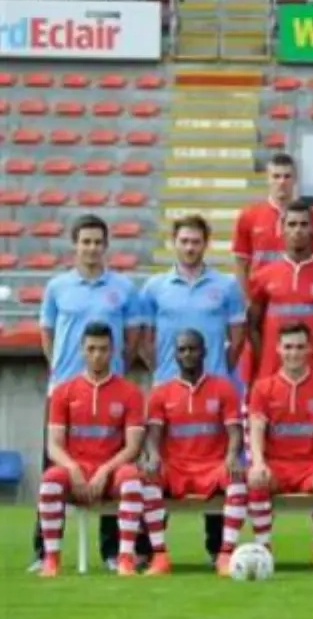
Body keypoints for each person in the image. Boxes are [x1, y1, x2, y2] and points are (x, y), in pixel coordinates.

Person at [33, 215, 147, 573]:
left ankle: (114, 552)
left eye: (98, 242)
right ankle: (44, 553)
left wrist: (117, 370)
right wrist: (62, 370)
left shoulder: (124, 288)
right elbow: (48, 335)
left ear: (106, 245)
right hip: (65, 389)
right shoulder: (57, 287)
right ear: (75, 244)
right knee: (55, 469)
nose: (92, 248)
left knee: (113, 466)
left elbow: (132, 340)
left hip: (110, 390)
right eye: (86, 241)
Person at [140, 215, 246, 565]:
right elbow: (143, 338)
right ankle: (150, 551)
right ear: (174, 242)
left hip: (214, 389)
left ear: (206, 243)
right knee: (160, 464)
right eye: (184, 241)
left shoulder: (226, 286)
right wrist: (161, 370)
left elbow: (238, 337)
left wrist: (219, 371)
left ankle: (218, 549)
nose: (189, 247)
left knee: (218, 461)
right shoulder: (154, 287)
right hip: (167, 390)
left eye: (196, 241)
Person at [35, 322, 147, 577]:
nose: (97, 355)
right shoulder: (63, 392)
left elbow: (133, 447)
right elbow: (53, 445)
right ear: (82, 350)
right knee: (50, 479)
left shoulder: (130, 393)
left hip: (112, 470)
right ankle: (51, 558)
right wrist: (72, 467)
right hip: (76, 469)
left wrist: (105, 470)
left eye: (103, 349)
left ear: (113, 351)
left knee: (131, 478)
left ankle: (125, 559)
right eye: (92, 348)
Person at [139, 330, 246, 576]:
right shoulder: (161, 393)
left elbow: (235, 431)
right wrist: (153, 455)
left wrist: (232, 455)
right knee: (146, 478)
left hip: (212, 466)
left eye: (193, 349)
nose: (187, 354)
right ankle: (159, 556)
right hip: (175, 468)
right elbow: (153, 434)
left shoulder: (223, 388)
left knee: (238, 479)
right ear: (175, 355)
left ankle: (225, 555)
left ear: (204, 352)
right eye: (182, 350)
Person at [245, 322, 313, 574]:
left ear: (310, 349)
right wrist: (258, 462)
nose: (294, 353)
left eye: (300, 347)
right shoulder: (262, 387)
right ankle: (264, 551)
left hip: (309, 467)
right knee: (255, 479)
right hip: (276, 467)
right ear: (278, 349)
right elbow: (256, 428)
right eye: (288, 347)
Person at [246, 202, 313, 384]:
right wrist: (267, 360)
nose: (298, 230)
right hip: (272, 378)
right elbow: (252, 327)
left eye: (303, 224)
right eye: (292, 224)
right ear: (282, 230)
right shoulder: (262, 277)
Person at [232, 152, 313, 289]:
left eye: (287, 176)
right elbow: (240, 263)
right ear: (268, 178)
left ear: (295, 179)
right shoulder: (249, 215)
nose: (282, 182)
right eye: (276, 176)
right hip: (261, 293)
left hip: (299, 292)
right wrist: (244, 298)